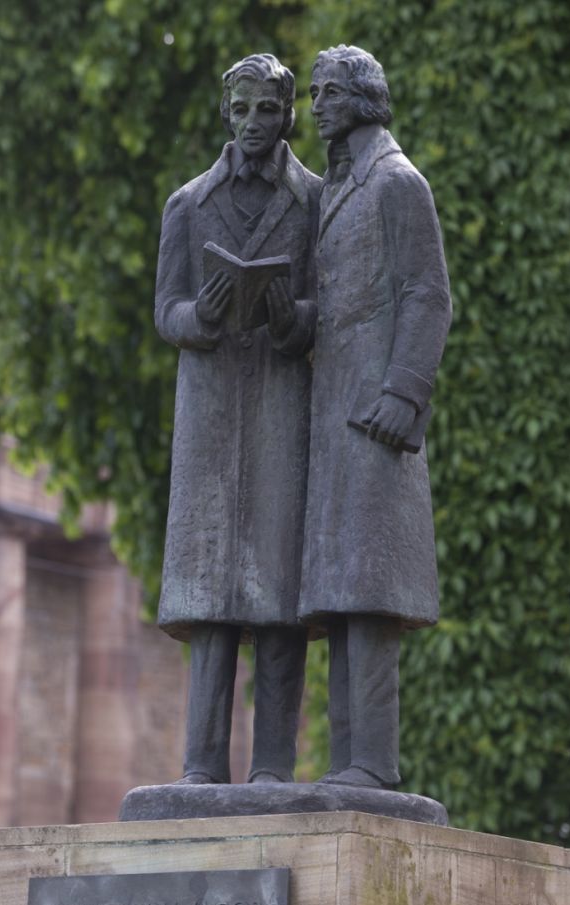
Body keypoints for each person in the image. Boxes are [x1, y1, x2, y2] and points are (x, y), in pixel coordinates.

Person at [155, 54, 320, 784]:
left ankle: (273, 769)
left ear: (288, 114)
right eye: (243, 108)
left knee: (279, 596)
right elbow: (166, 310)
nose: (254, 123)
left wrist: (292, 318)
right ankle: (200, 765)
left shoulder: (316, 201)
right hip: (213, 413)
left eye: (268, 110)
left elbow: (328, 306)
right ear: (226, 112)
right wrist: (202, 315)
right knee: (212, 594)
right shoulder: (187, 205)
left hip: (282, 406)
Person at [299, 45, 452, 789]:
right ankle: (346, 760)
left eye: (327, 92)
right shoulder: (333, 189)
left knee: (369, 592)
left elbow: (427, 293)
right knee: (338, 591)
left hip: (374, 413)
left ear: (362, 99)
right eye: (314, 92)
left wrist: (403, 392)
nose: (315, 105)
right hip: (331, 412)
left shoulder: (396, 182)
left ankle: (373, 763)